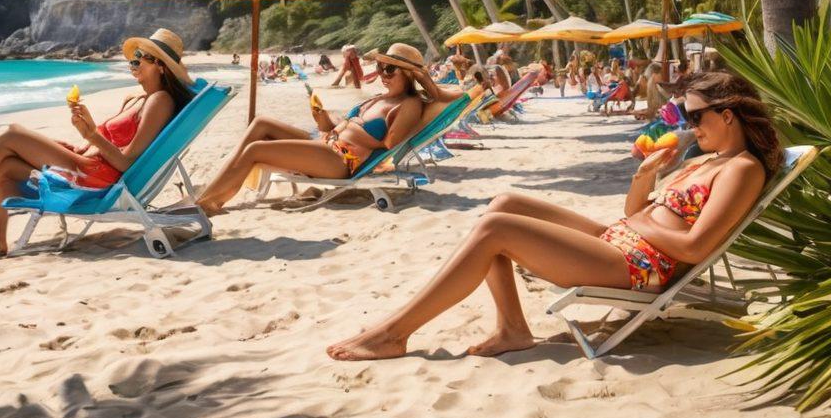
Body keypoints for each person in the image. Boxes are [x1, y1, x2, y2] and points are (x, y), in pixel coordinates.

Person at [326, 71, 778, 361]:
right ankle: (511, 328)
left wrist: (641, 224)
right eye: (684, 113)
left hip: (642, 265)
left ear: (730, 114)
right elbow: (637, 212)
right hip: (623, 241)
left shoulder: (742, 169)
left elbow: (697, 246)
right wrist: (643, 179)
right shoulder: (705, 160)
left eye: (695, 114)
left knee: (497, 229)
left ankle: (394, 333)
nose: (688, 123)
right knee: (505, 204)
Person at [0, 28, 195, 257]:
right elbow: (110, 141)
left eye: (142, 59)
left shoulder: (160, 101)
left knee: (11, 134)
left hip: (96, 176)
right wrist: (83, 139)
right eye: (133, 58)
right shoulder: (138, 98)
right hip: (85, 160)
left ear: (162, 66)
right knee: (5, 166)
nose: (134, 63)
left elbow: (127, 162)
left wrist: (90, 135)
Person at [195, 44, 466, 216]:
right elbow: (337, 127)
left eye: (391, 69)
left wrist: (425, 80)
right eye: (381, 67)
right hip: (326, 142)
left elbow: (388, 143)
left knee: (256, 149)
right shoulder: (379, 98)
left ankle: (210, 203)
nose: (383, 74)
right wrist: (325, 118)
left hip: (340, 159)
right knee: (261, 123)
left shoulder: (408, 105)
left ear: (409, 74)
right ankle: (210, 191)